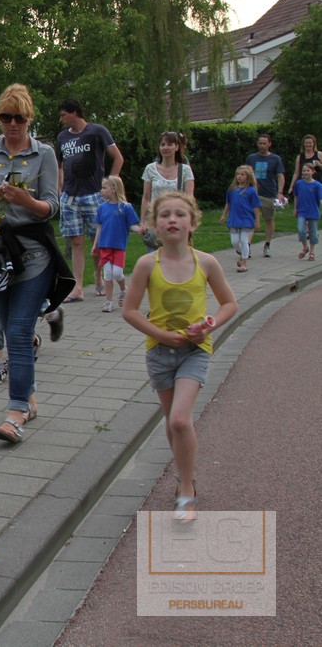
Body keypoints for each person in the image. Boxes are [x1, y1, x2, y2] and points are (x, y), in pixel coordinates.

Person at [122, 191, 237, 522]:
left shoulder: (206, 262)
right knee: (173, 421)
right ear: (155, 225)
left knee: (179, 420)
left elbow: (229, 304)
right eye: (165, 215)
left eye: (180, 214)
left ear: (192, 223)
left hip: (194, 350)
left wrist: (208, 326)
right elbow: (130, 311)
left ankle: (186, 489)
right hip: (159, 353)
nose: (172, 219)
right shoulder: (147, 264)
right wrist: (159, 335)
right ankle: (186, 475)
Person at [0, 84, 72, 444]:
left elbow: (51, 207)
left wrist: (26, 200)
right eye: (6, 117)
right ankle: (29, 399)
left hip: (33, 254)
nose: (12, 124)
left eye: (19, 118)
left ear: (29, 119)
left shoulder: (44, 154)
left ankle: (15, 414)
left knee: (17, 330)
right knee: (7, 328)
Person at [56, 98, 124, 302]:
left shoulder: (97, 131)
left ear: (74, 113)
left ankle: (99, 277)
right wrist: (60, 188)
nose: (61, 119)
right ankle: (77, 287)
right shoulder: (62, 137)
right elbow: (59, 165)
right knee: (76, 241)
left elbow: (118, 158)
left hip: (94, 195)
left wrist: (110, 183)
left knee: (98, 241)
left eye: (63, 115)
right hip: (70, 196)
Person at [139, 131, 195, 250]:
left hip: (177, 222)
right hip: (155, 222)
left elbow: (189, 199)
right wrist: (142, 222)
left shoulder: (185, 170)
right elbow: (146, 197)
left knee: (177, 258)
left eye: (170, 144)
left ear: (176, 147)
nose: (166, 148)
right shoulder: (150, 169)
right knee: (154, 258)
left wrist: (189, 221)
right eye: (163, 144)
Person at [91, 176, 140, 313]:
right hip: (104, 246)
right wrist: (95, 245)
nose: (101, 190)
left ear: (114, 189)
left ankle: (123, 290)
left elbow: (132, 225)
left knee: (118, 274)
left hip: (119, 246)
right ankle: (108, 301)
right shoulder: (102, 208)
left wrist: (140, 230)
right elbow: (99, 227)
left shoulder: (126, 207)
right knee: (107, 274)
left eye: (104, 188)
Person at [245, 133, 286, 257]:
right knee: (251, 219)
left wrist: (280, 192)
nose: (262, 146)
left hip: (268, 193)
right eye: (260, 143)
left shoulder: (275, 159)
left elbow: (280, 176)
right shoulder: (251, 158)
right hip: (253, 193)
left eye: (264, 143)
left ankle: (267, 244)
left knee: (269, 219)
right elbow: (245, 174)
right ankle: (247, 246)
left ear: (269, 144)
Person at [219, 165, 261, 273]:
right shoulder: (232, 190)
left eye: (242, 174)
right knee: (235, 242)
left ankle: (244, 264)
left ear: (248, 176)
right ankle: (242, 254)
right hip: (234, 219)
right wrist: (224, 215)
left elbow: (256, 207)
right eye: (238, 174)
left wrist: (257, 221)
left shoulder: (251, 191)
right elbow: (228, 203)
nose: (239, 176)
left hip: (246, 219)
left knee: (244, 240)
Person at [292, 163, 322, 261]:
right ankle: (305, 247)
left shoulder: (317, 185)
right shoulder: (299, 184)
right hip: (302, 211)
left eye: (308, 170)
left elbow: (320, 198)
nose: (306, 172)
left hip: (313, 211)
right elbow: (296, 196)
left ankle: (312, 252)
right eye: (304, 170)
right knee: (301, 230)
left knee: (313, 232)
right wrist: (295, 208)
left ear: (313, 172)